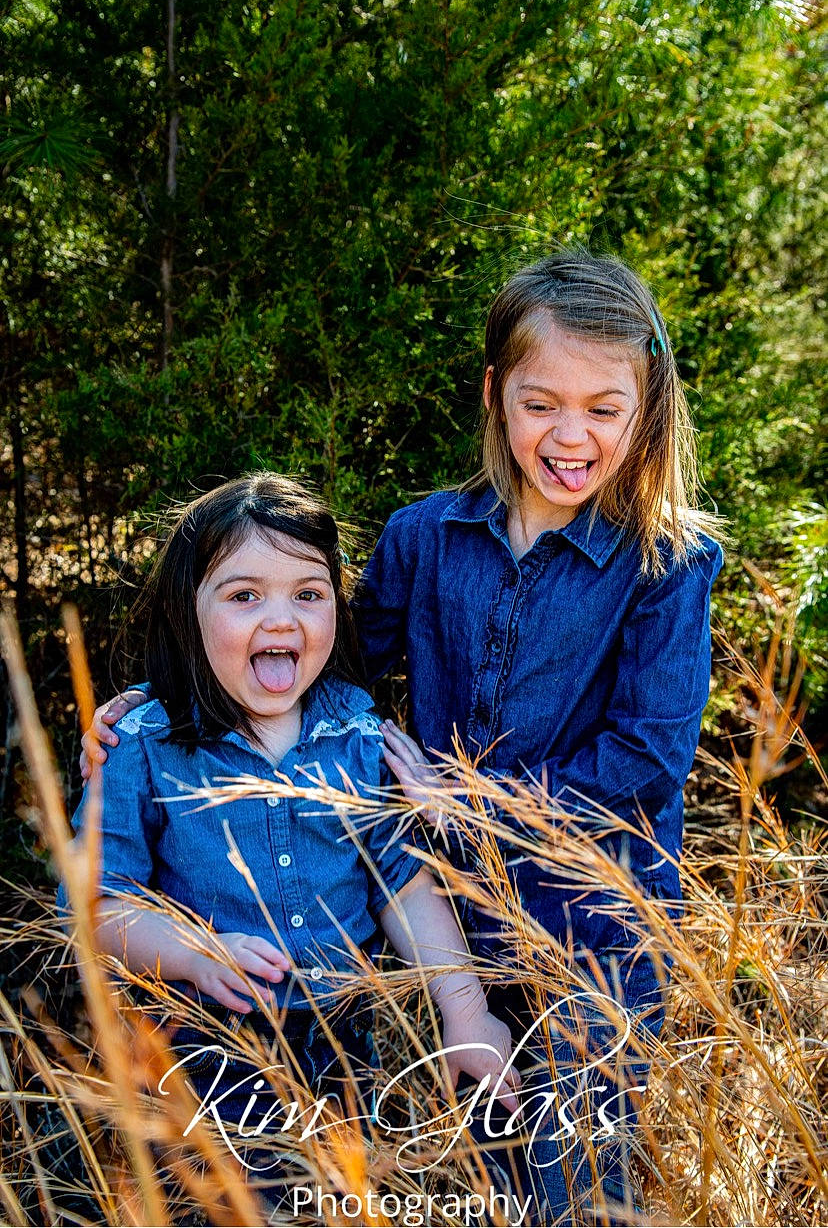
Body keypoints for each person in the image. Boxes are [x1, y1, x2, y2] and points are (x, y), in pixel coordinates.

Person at [81, 250, 724, 1221]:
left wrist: (465, 799)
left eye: (604, 407)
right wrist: (159, 699)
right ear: (496, 392)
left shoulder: (664, 562)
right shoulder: (426, 536)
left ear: (649, 410)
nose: (571, 434)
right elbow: (321, 662)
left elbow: (645, 758)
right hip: (455, 915)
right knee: (473, 1159)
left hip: (595, 923)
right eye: (542, 401)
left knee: (574, 1171)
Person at [63, 474, 518, 1189]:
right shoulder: (143, 743)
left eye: (308, 593)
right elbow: (93, 905)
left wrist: (466, 1012)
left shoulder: (358, 736)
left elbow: (399, 883)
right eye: (245, 596)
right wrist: (191, 950)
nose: (282, 619)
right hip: (203, 1044)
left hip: (345, 1041)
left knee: (339, 1197)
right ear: (190, 610)